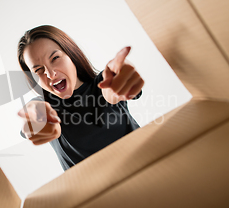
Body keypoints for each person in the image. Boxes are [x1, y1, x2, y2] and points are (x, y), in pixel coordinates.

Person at [17, 25, 144, 171]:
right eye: (38, 70)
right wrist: (37, 119)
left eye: (55, 58)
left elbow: (111, 88)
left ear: (71, 55)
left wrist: (121, 74)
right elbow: (34, 111)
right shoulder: (44, 106)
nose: (50, 74)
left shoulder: (104, 83)